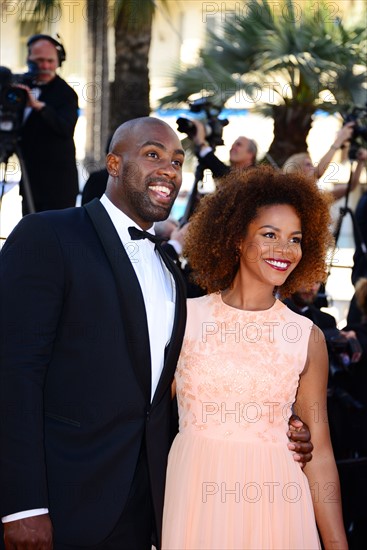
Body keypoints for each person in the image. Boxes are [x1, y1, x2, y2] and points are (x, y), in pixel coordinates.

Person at [0, 117, 313, 550]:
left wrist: (280, 424)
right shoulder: (49, 235)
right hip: (60, 503)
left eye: (177, 160)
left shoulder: (169, 270)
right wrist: (22, 505)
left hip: (149, 508)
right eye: (153, 155)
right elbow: (14, 373)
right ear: (113, 163)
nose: (169, 168)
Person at [162, 166, 348, 549]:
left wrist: (337, 545)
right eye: (269, 235)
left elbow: (321, 453)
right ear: (235, 238)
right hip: (196, 501)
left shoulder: (305, 336)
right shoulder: (185, 318)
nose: (284, 250)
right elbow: (144, 418)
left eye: (295, 239)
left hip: (280, 507)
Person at [17, 34, 79, 214]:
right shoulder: (20, 87)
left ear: (59, 62)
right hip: (30, 182)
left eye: (50, 61)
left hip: (58, 187)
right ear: (29, 59)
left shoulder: (66, 93)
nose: (45, 66)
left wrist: (40, 108)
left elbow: (65, 128)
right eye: (39, 60)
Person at [282, 124, 365, 201]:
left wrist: (360, 162)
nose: (313, 167)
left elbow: (351, 186)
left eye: (311, 164)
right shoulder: (294, 196)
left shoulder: (318, 196)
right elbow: (318, 172)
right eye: (307, 164)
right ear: (295, 171)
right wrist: (339, 140)